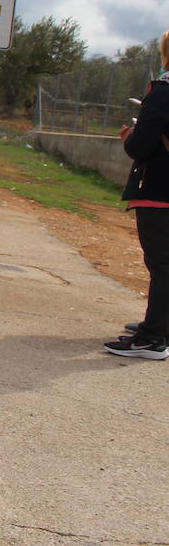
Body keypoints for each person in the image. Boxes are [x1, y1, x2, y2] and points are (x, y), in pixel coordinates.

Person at [104, 30, 169, 360]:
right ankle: (159, 326)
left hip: (160, 190)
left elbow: (141, 145)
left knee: (161, 264)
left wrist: (130, 135)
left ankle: (152, 338)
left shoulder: (163, 91)